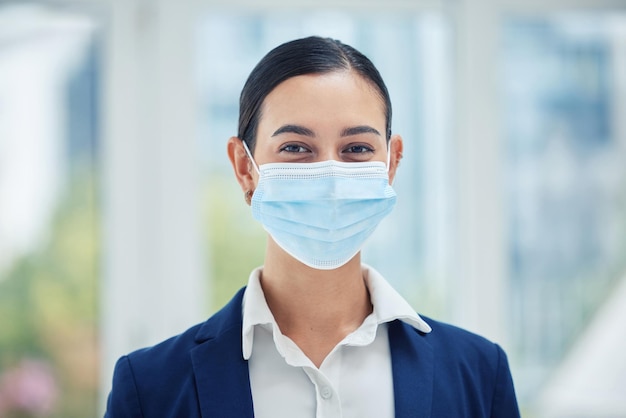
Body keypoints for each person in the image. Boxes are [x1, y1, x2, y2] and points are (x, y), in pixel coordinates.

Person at [105, 36, 520, 418]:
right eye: (295, 148)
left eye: (356, 148)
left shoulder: (480, 376)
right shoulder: (150, 388)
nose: (330, 176)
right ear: (244, 167)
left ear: (391, 163)